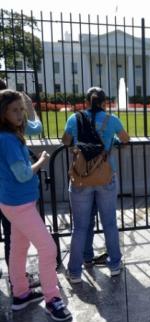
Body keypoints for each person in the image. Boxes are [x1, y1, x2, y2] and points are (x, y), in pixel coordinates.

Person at [0, 89, 71, 320]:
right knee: (48, 249)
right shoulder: (7, 139)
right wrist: (42, 160)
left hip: (14, 202)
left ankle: (21, 294)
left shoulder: (8, 134)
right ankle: (53, 299)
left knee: (18, 248)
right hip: (19, 203)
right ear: (3, 113)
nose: (20, 114)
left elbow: (35, 127)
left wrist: (29, 108)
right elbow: (22, 175)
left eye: (21, 109)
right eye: (15, 110)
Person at [62, 86, 129, 283]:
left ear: (86, 100)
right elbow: (125, 140)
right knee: (109, 223)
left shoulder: (75, 118)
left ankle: (75, 271)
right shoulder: (112, 120)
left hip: (81, 176)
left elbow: (66, 141)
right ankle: (115, 264)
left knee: (80, 227)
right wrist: (112, 140)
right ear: (104, 102)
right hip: (105, 175)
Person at [0, 78, 43, 287]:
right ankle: (19, 282)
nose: (19, 114)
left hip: (6, 193)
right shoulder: (10, 134)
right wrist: (29, 108)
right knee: (43, 247)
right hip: (15, 196)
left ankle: (18, 287)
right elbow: (37, 127)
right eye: (15, 109)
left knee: (16, 244)